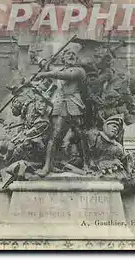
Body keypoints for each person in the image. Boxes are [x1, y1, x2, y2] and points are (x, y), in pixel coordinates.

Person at [35, 43, 90, 176]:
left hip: (74, 104)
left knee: (81, 135)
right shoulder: (59, 70)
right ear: (63, 58)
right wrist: (37, 58)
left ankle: (88, 164)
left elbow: (64, 75)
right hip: (60, 105)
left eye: (73, 55)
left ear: (76, 59)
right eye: (68, 54)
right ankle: (48, 166)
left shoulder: (79, 71)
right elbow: (48, 66)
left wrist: (44, 74)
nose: (71, 56)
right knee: (54, 135)